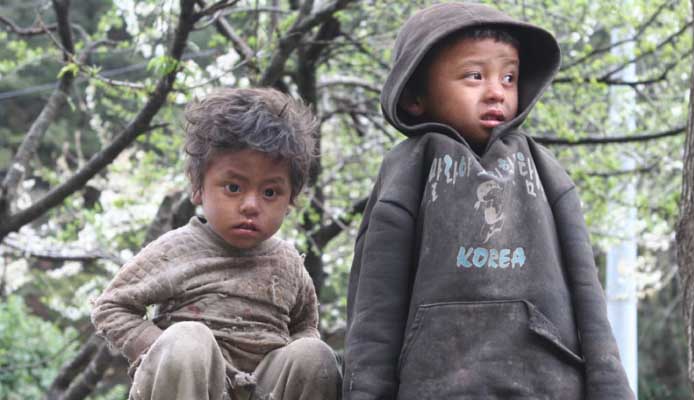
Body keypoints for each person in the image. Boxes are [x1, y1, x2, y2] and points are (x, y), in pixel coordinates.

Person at [343, 3, 634, 399]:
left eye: (509, 77)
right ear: (415, 95)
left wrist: (611, 389)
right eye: (474, 76)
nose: (497, 91)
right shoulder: (407, 171)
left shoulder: (546, 172)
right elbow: (376, 307)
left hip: (547, 385)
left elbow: (589, 297)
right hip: (437, 384)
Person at [91, 88, 340, 400]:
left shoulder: (288, 264)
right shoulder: (176, 251)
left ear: (290, 200)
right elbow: (111, 307)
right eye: (233, 187)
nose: (251, 205)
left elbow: (305, 326)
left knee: (314, 356)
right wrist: (161, 351)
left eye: (270, 192)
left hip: (260, 387)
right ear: (198, 188)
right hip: (189, 388)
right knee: (187, 340)